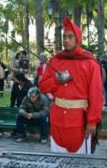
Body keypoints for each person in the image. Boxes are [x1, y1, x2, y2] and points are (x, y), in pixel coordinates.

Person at [39, 17, 103, 154]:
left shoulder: (90, 63)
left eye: (70, 37)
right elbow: (43, 86)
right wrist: (56, 79)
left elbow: (96, 95)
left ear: (78, 39)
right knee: (57, 164)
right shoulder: (55, 61)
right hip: (57, 121)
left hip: (79, 122)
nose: (66, 40)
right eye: (64, 37)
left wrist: (92, 121)